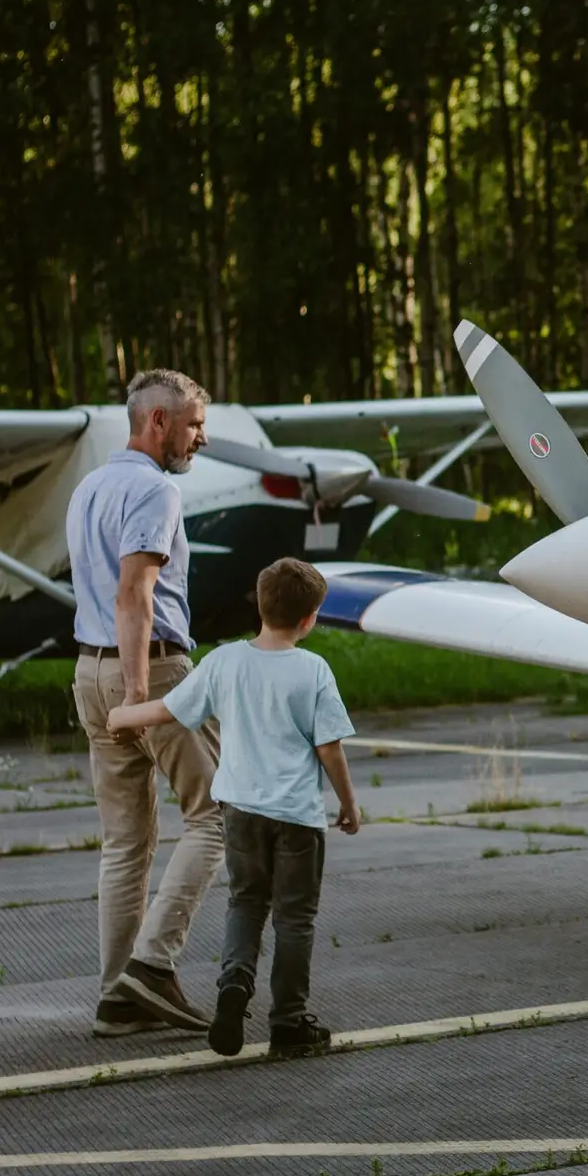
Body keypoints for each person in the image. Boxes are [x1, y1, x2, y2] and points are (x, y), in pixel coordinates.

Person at [107, 557, 359, 1058]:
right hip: (297, 819)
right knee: (294, 919)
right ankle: (288, 1020)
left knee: (245, 904)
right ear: (310, 619)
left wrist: (121, 714)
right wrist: (349, 803)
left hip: (240, 812)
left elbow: (169, 710)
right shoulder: (313, 670)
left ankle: (231, 996)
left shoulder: (224, 661)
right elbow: (329, 747)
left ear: (258, 606)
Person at [67, 368, 222, 1039]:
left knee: (125, 841)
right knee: (218, 813)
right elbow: (136, 592)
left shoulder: (90, 487)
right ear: (157, 422)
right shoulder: (155, 490)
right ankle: (152, 966)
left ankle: (116, 999)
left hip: (86, 670)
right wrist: (136, 695)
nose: (201, 439)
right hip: (148, 673)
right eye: (193, 425)